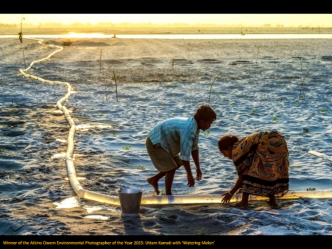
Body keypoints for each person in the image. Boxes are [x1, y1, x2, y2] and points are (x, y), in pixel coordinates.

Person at [146, 105, 217, 195]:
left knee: (178, 163)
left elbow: (194, 149)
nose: (209, 126)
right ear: (202, 121)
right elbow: (184, 156)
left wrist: (198, 168)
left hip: (164, 143)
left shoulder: (195, 127)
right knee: (171, 167)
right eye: (209, 123)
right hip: (155, 142)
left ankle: (154, 179)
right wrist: (189, 175)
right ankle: (168, 195)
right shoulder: (189, 129)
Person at [218, 130, 289, 207]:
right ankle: (272, 201)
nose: (224, 156)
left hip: (267, 143)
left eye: (223, 153)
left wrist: (231, 193)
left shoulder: (236, 151)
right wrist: (244, 186)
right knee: (269, 172)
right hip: (279, 141)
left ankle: (244, 202)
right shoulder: (242, 144)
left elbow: (242, 176)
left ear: (229, 148)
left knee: (249, 172)